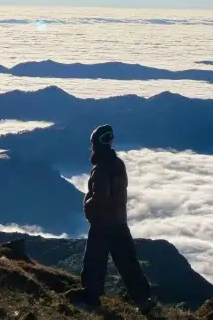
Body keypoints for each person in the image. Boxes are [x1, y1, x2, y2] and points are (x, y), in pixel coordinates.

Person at [69, 124, 155, 313]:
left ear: (95, 145)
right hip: (119, 221)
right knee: (128, 262)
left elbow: (101, 197)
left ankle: (92, 300)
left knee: (94, 262)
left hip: (102, 223)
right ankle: (143, 300)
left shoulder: (101, 169)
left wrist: (88, 206)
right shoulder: (118, 164)